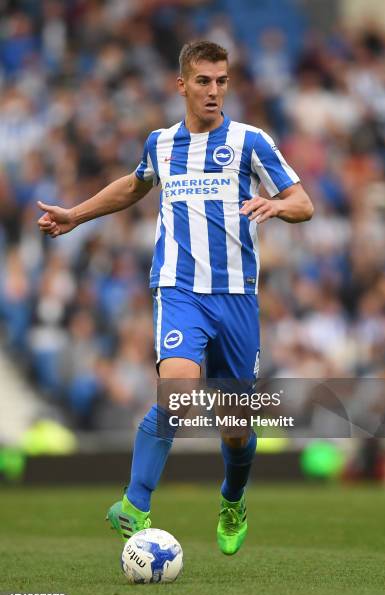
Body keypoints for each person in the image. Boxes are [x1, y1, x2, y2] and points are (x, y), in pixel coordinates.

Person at [37, 40, 313, 555]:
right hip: (178, 288)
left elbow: (304, 202)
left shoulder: (252, 141)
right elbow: (134, 186)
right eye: (204, 81)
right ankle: (135, 503)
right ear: (181, 85)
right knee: (178, 393)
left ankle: (232, 498)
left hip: (235, 297)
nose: (214, 91)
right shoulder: (161, 143)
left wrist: (278, 208)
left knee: (235, 429)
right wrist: (75, 214)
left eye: (222, 81)